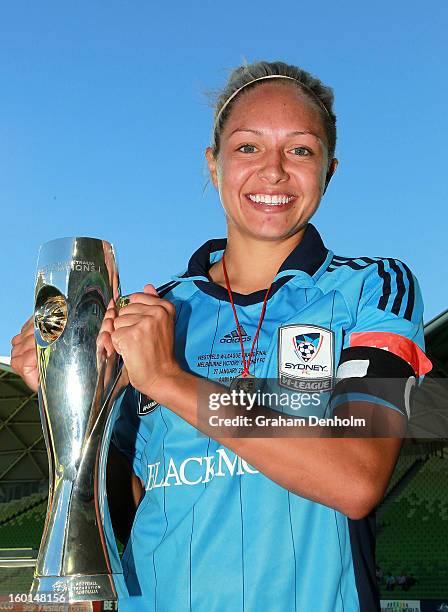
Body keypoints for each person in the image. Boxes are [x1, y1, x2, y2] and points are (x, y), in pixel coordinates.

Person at [11, 60, 433, 612]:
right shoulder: (155, 311)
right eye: (248, 147)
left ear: (330, 168)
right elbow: (124, 500)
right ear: (213, 166)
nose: (274, 171)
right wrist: (69, 396)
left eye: (301, 150)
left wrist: (169, 380)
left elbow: (355, 477)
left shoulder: (372, 289)